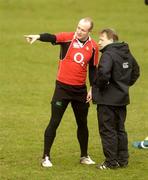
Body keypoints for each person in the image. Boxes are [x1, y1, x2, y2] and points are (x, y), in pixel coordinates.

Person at [24, 17, 99, 168]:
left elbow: (93, 69)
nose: (78, 31)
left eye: (82, 30)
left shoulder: (93, 47)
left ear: (89, 32)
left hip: (80, 92)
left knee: (82, 124)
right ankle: (46, 157)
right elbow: (52, 37)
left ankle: (84, 156)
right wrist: (37, 37)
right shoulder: (67, 38)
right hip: (62, 90)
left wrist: (92, 88)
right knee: (54, 122)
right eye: (78, 27)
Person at [92, 28, 140, 169]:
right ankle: (122, 160)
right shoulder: (126, 52)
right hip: (122, 99)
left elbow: (103, 74)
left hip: (107, 100)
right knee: (120, 129)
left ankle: (111, 162)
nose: (99, 42)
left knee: (108, 130)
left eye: (101, 39)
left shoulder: (108, 54)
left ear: (111, 40)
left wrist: (100, 87)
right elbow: (136, 71)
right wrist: (123, 85)